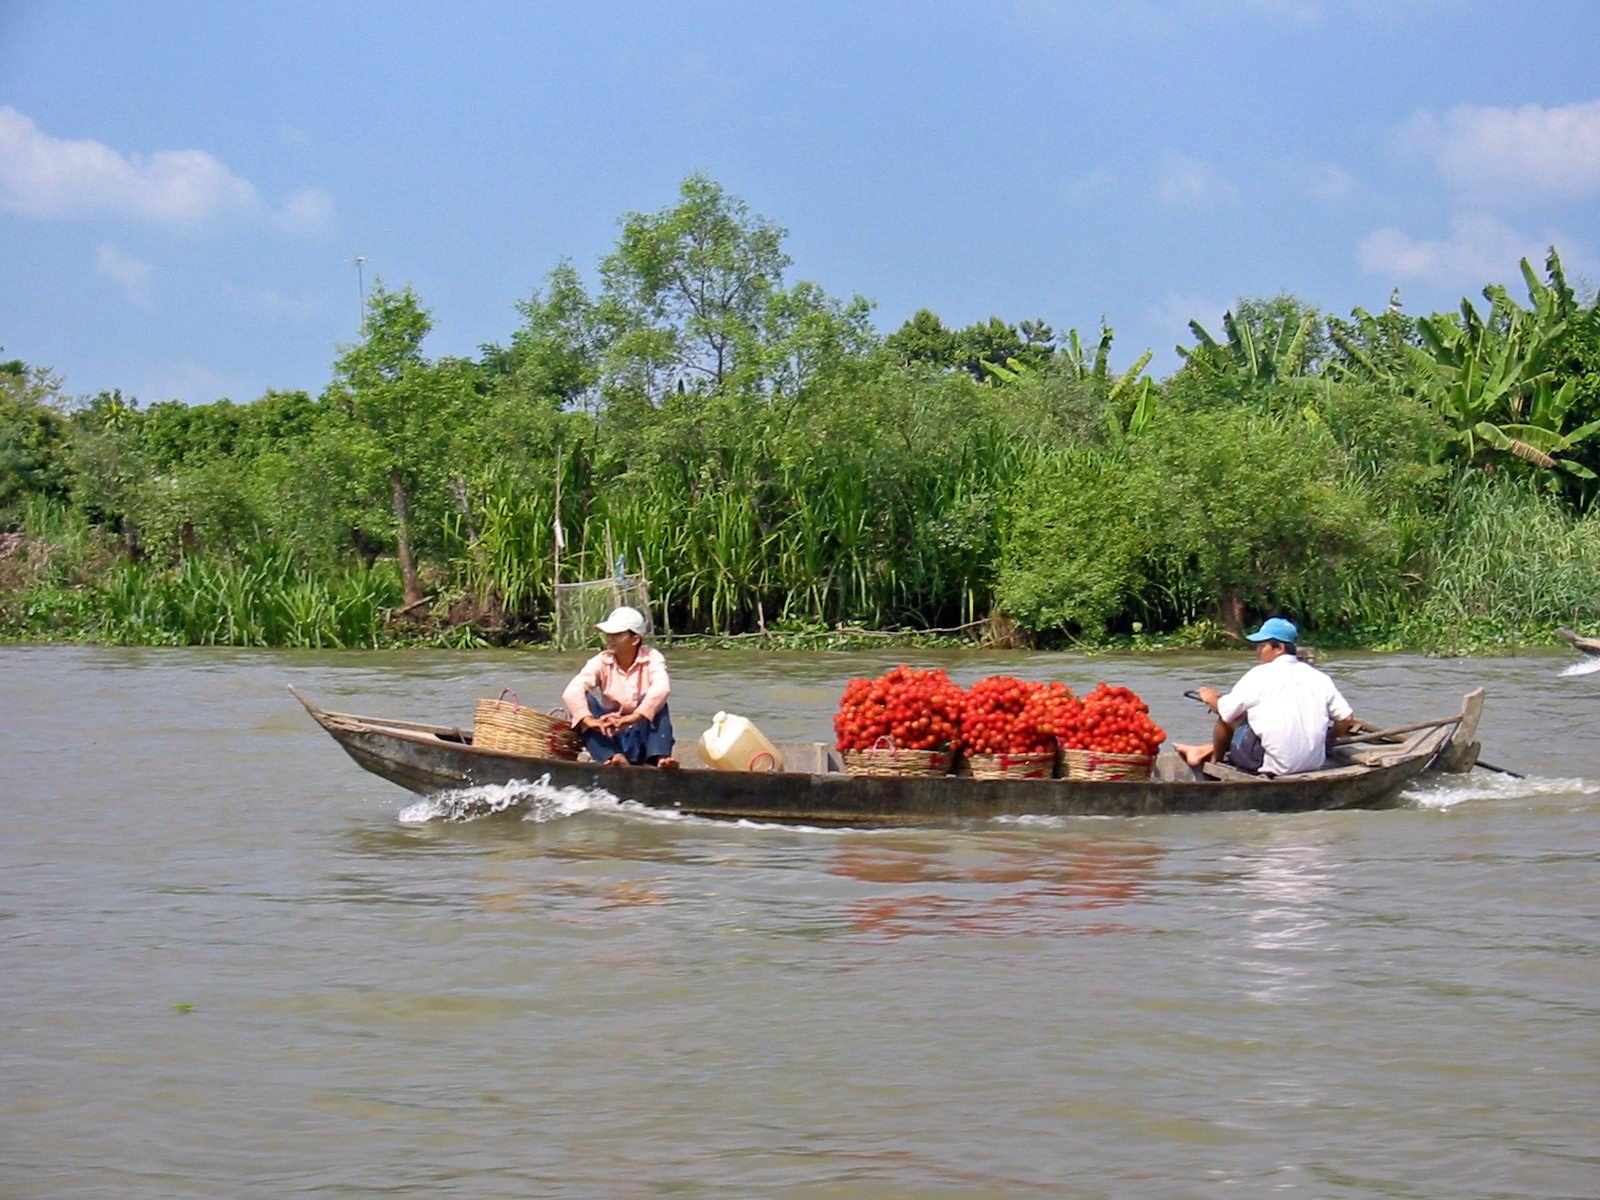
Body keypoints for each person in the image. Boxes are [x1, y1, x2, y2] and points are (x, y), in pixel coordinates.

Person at [1175, 616, 1356, 777]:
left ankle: (1216, 763)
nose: (1258, 651)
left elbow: (1226, 711)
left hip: (1272, 764)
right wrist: (1329, 739)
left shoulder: (1259, 674)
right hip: (1313, 762)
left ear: (1279, 648)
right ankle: (1203, 751)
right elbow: (1346, 718)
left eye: (1262, 646)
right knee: (1250, 719)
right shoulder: (1319, 677)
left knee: (1227, 718)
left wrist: (1210, 697)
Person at [561, 605, 678, 768]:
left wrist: (631, 718)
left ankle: (660, 757)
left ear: (635, 639)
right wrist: (590, 721)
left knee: (657, 702)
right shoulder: (601, 661)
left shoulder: (652, 657)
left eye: (617, 634)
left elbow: (662, 687)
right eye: (609, 634)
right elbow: (572, 691)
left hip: (641, 734)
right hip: (611, 734)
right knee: (582, 704)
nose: (610, 638)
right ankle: (614, 756)